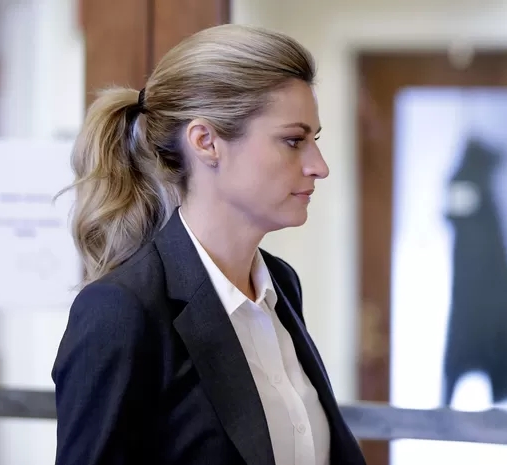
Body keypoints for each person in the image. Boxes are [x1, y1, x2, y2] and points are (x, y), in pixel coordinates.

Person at [52, 23, 367, 465]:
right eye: (294, 141)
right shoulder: (121, 311)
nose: (319, 166)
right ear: (206, 142)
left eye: (314, 140)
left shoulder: (281, 283)